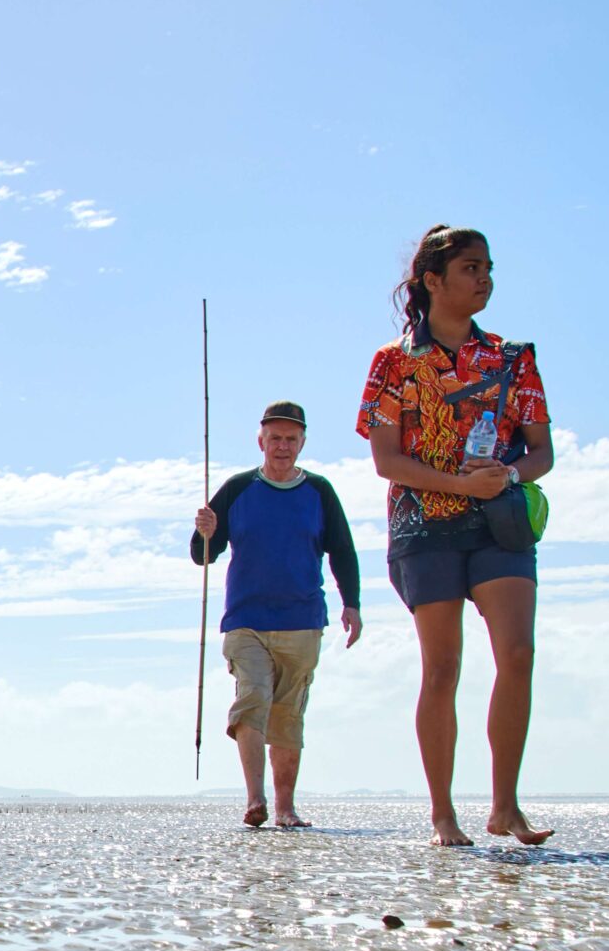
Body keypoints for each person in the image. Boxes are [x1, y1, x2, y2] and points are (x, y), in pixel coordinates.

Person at [357, 226, 556, 847]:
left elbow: (542, 452)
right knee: (442, 669)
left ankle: (505, 807)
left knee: (517, 657)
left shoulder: (512, 357)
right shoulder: (394, 362)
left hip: (500, 524)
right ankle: (443, 813)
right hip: (424, 527)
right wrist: (457, 483)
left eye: (489, 268)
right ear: (433, 280)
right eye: (471, 268)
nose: (485, 279)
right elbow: (387, 461)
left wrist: (508, 474)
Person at [192, 401, 364, 829]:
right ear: (261, 441)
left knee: (287, 715)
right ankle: (256, 800)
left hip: (302, 621)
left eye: (290, 439)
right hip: (246, 620)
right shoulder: (237, 488)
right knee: (252, 701)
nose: (282, 446)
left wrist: (352, 604)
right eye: (275, 438)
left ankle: (286, 808)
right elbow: (202, 556)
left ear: (302, 442)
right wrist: (204, 532)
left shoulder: (320, 492)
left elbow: (342, 550)